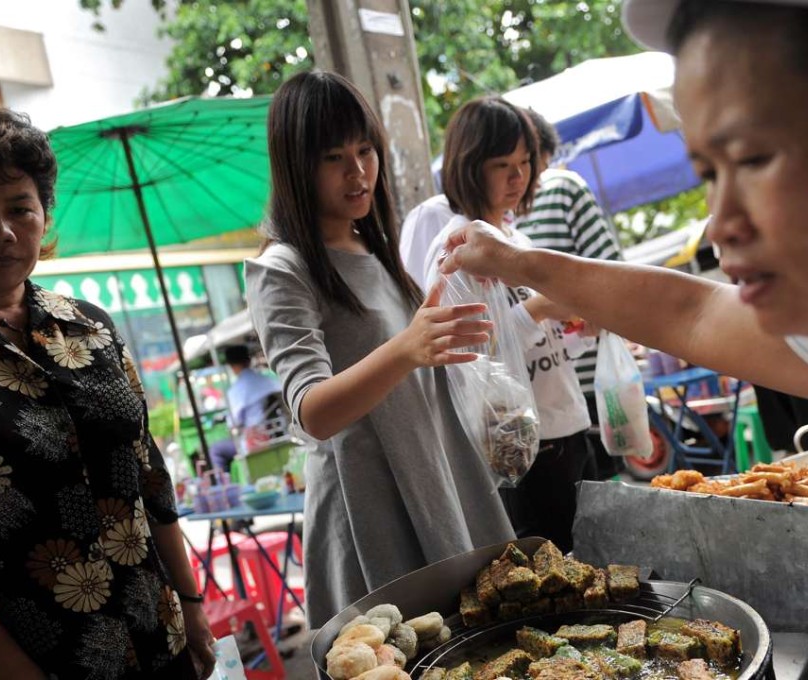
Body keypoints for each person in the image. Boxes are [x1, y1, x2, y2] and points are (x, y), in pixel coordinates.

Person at [438, 0, 808, 676]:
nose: (720, 226)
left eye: (754, 157)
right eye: (709, 173)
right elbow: (693, 314)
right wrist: (516, 262)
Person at [0, 98, 215, 678]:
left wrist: (192, 606)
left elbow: (150, 475)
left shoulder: (91, 327)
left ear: (45, 218)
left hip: (156, 639)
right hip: (27, 663)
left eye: (21, 207)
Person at [244, 70, 515, 628]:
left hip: (438, 476)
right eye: (333, 157)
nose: (358, 170)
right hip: (371, 506)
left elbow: (414, 364)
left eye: (365, 149)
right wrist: (409, 346)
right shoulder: (282, 269)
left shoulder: (374, 243)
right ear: (296, 164)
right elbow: (313, 411)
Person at [423, 96, 595, 553]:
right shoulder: (458, 245)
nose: (518, 176)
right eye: (502, 164)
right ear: (469, 165)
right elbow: (472, 359)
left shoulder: (516, 238)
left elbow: (544, 348)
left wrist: (579, 329)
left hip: (567, 425)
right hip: (523, 449)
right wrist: (539, 308)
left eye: (525, 162)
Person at [516, 108, 624, 480]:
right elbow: (612, 271)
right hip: (577, 386)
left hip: (550, 394)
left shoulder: (553, 192)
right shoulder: (501, 220)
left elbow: (611, 277)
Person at [207, 344, 282, 471]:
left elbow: (234, 424)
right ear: (249, 360)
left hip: (255, 441)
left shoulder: (236, 391)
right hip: (281, 432)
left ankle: (225, 484)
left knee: (215, 450)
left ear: (231, 366)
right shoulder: (270, 380)